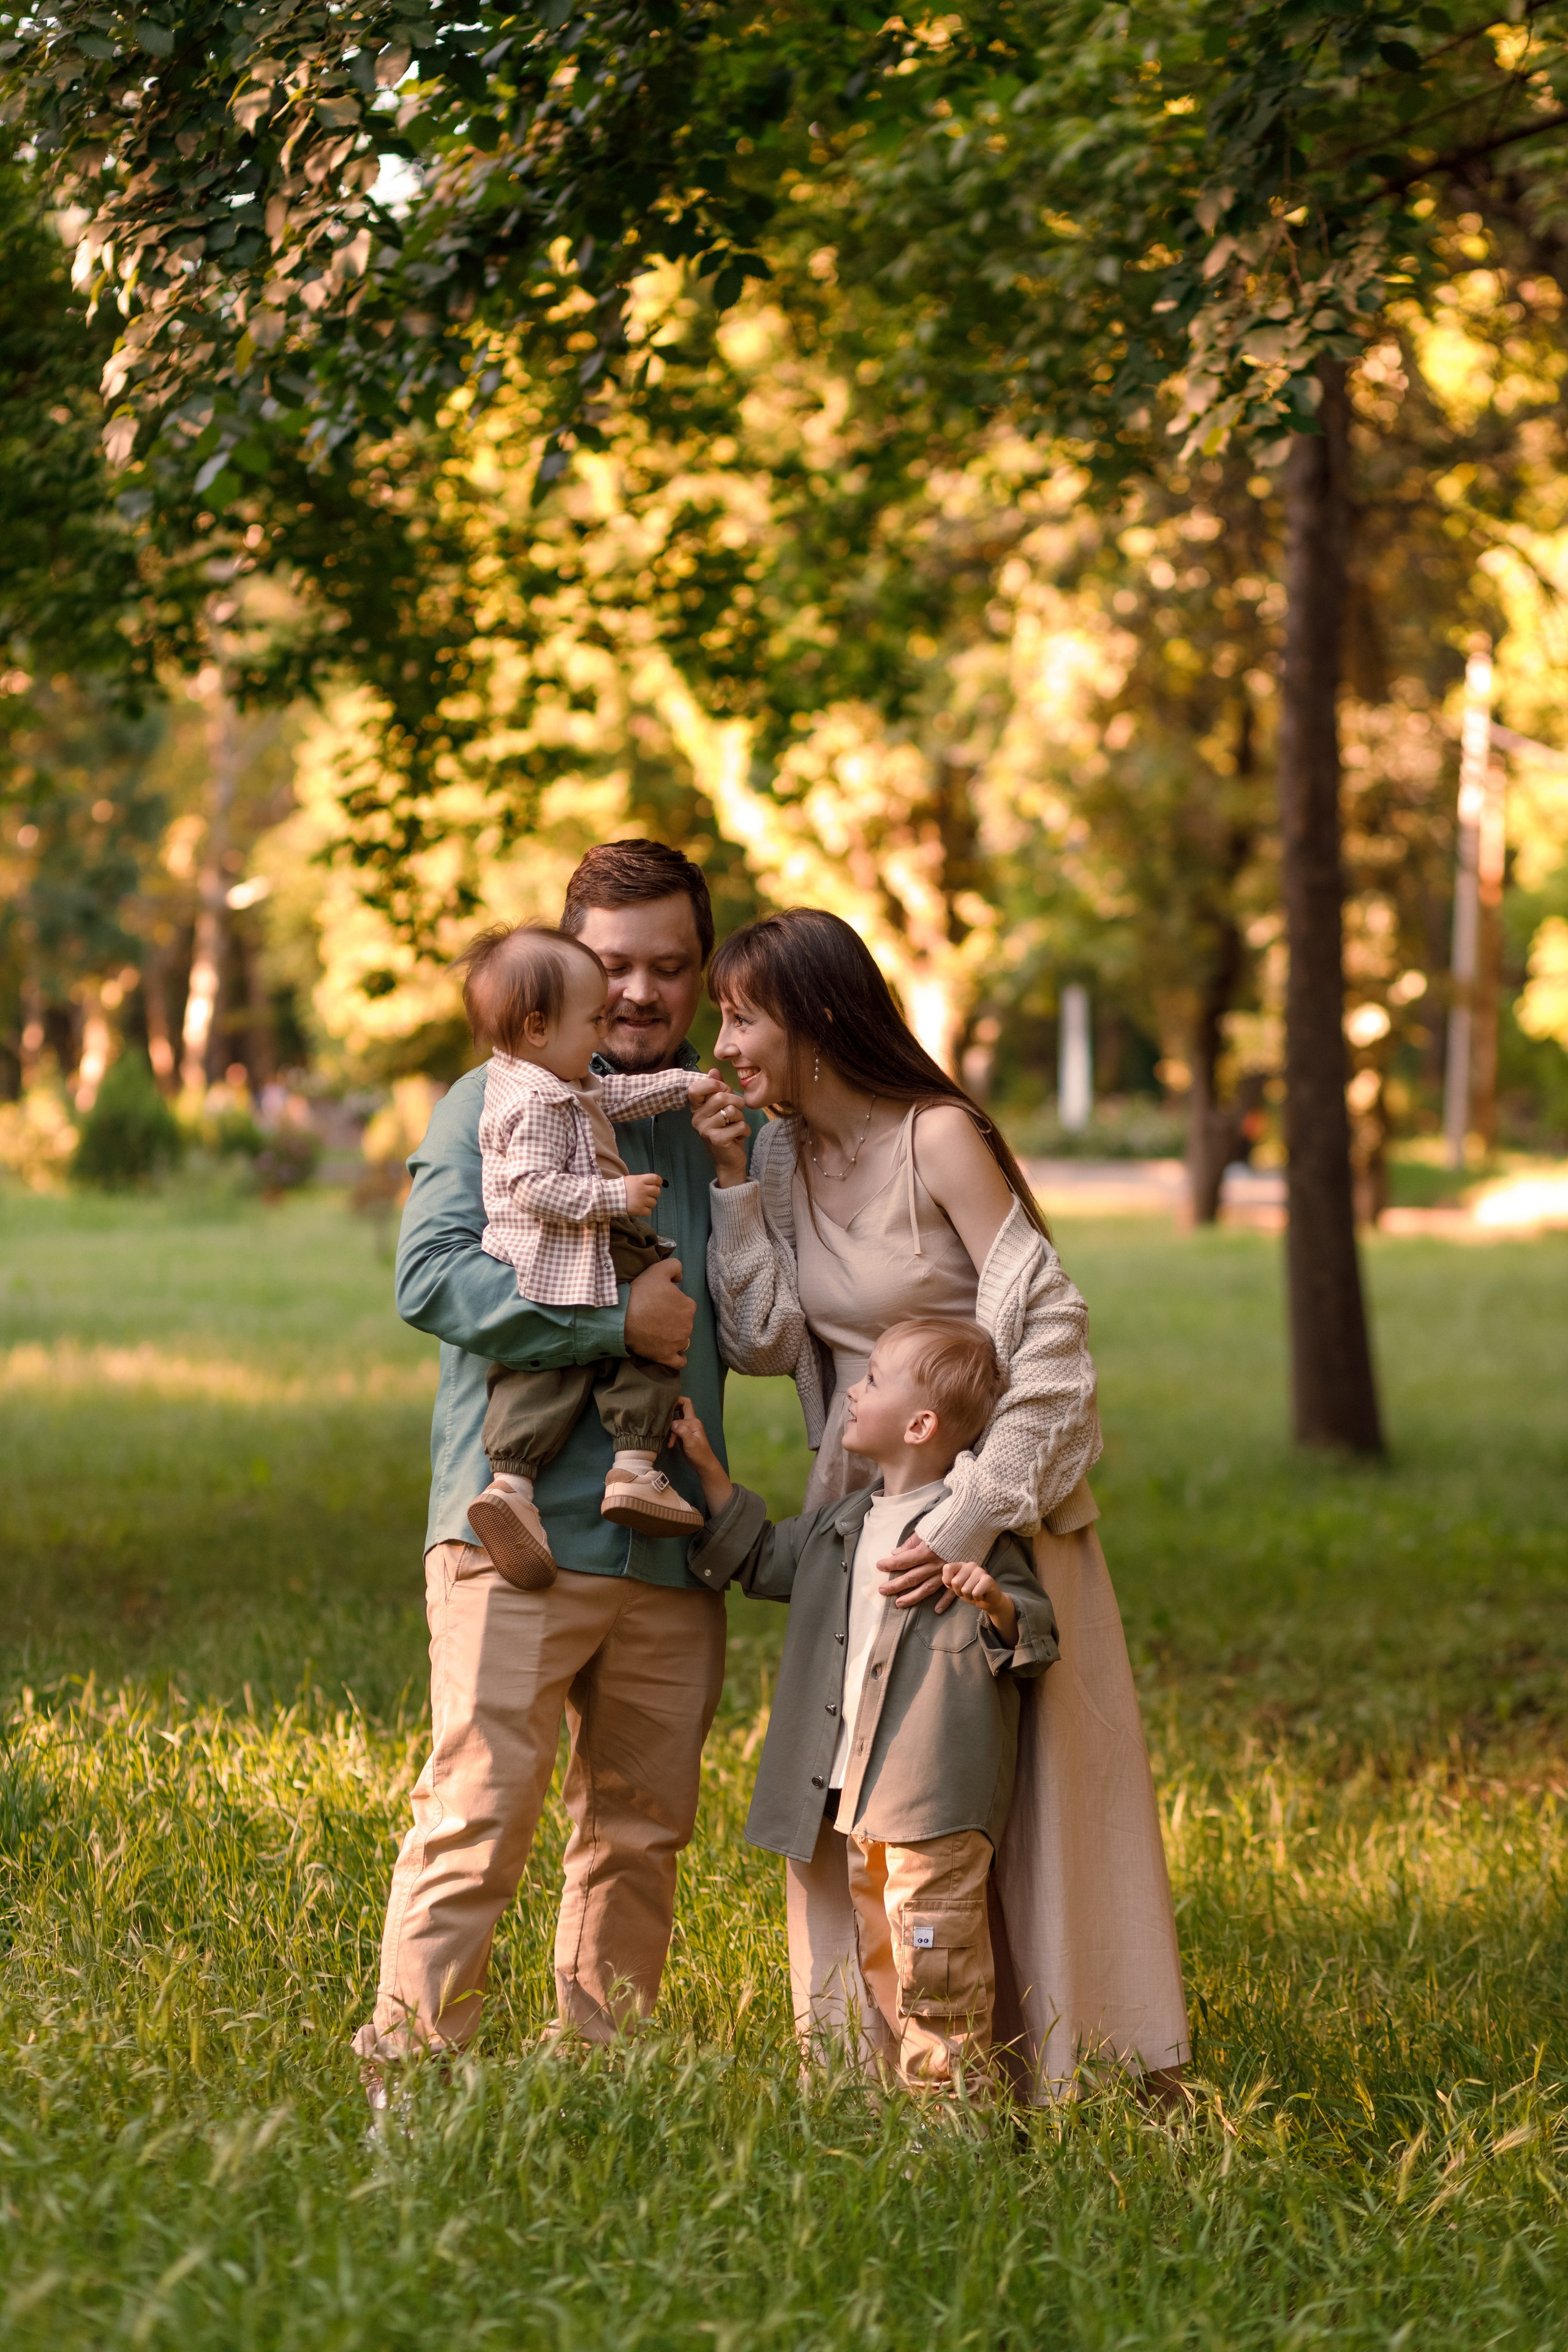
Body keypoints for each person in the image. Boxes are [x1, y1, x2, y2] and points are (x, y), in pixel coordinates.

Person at [690, 907, 1189, 2101]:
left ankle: (1068, 2076)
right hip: (861, 1518)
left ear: (815, 1017)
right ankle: (875, 2085)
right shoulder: (779, 1159)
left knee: (1017, 1816)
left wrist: (964, 1519)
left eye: (742, 1017)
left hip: (991, 1522)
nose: (723, 1045)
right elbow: (764, 1342)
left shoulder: (940, 1137)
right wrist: (732, 1185)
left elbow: (1052, 1340)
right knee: (859, 1794)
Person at [352, 841, 754, 2089]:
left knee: (640, 1831)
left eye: (670, 967)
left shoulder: (710, 1117)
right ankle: (411, 2089)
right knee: (478, 1815)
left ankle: (600, 2086)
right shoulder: (492, 1100)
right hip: (513, 1530)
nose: (639, 992)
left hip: (668, 1535)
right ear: (568, 962)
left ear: (700, 975)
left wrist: (740, 1173)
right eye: (613, 965)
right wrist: (611, 1325)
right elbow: (431, 1279)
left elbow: (758, 1326)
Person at [669, 1317, 1058, 2097]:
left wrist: (992, 1602)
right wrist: (707, 1468)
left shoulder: (973, 1533)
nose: (852, 1390)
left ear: (919, 1426)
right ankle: (918, 2112)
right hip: (857, 1801)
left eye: (872, 1380)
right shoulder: (842, 1524)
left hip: (932, 1803)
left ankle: (954, 2131)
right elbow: (761, 1558)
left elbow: (1033, 1634)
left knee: (937, 1966)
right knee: (886, 1958)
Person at [457, 922, 725, 1583]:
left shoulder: (549, 1078)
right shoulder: (537, 1102)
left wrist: (683, 1088)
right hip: (576, 1247)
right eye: (593, 1020)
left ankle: (511, 1488)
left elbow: (618, 1097)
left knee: (534, 1377)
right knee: (658, 1335)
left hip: (543, 1262)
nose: (604, 1031)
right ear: (539, 1028)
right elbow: (531, 1185)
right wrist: (614, 1196)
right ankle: (635, 1465)